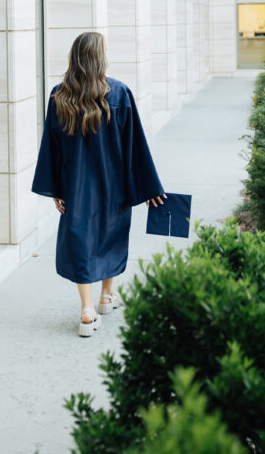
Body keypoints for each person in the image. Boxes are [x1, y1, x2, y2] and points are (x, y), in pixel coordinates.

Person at [32, 31, 166, 337]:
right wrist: (148, 186)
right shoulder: (118, 93)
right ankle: (106, 296)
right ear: (100, 57)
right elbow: (135, 145)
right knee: (111, 236)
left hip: (76, 185)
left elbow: (50, 147)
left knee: (81, 241)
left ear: (75, 58)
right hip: (113, 184)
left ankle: (89, 308)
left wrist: (56, 189)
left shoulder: (59, 96)